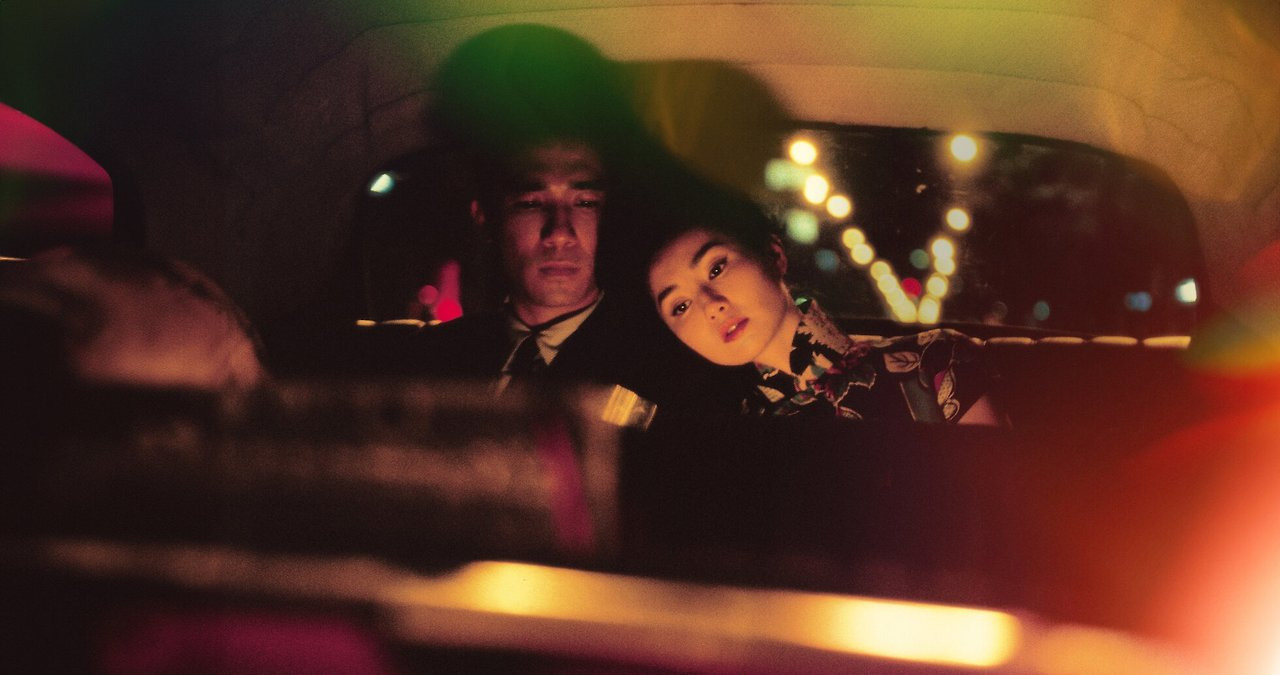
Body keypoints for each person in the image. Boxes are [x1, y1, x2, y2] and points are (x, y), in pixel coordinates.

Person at [411, 25, 749, 416]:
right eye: (530, 203)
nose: (560, 233)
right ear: (485, 217)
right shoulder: (431, 363)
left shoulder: (674, 366)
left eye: (584, 202)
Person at [643, 190, 998, 423]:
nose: (711, 306)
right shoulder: (716, 440)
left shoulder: (933, 360)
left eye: (716, 268)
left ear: (774, 255)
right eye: (680, 306)